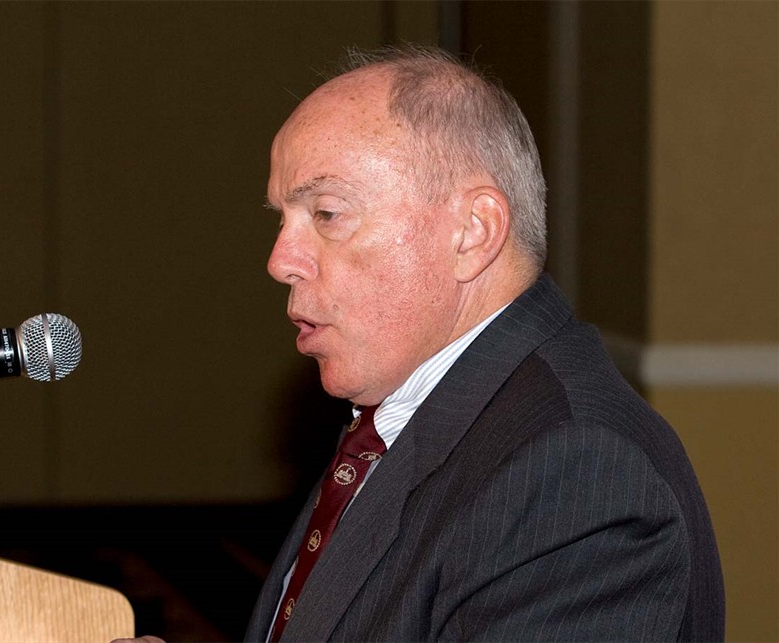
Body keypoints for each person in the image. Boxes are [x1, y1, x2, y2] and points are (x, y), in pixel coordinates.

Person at [118, 44, 724, 643]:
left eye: (326, 213)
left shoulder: (580, 470)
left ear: (472, 232)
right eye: (283, 219)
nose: (281, 261)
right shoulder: (418, 411)